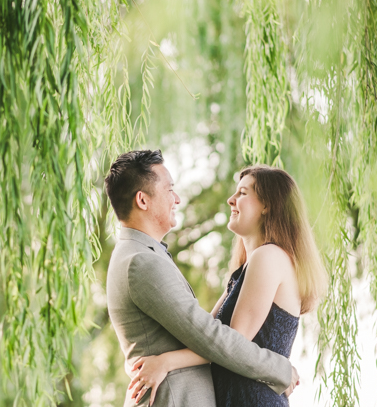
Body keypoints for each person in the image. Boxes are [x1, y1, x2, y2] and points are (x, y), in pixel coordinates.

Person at [105, 151, 299, 407]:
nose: (177, 198)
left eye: (242, 193)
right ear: (142, 200)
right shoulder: (141, 261)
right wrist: (280, 369)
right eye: (170, 189)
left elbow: (211, 332)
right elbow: (211, 336)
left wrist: (166, 361)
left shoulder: (142, 255)